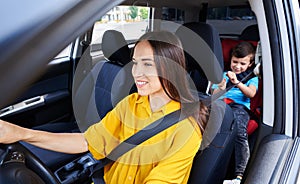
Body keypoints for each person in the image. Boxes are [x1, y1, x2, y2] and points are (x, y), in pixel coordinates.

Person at [0, 31, 208, 183]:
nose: (136, 73)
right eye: (134, 63)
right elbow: (88, 142)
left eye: (147, 64)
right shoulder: (131, 103)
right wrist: (21, 133)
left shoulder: (186, 128)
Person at [211, 41, 258, 184]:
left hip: (239, 107)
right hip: (220, 104)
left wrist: (237, 82)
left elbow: (250, 94)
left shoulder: (252, 78)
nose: (237, 66)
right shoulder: (223, 75)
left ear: (250, 64)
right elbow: (214, 94)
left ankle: (239, 174)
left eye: (242, 64)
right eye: (235, 62)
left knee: (239, 132)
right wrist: (221, 87)